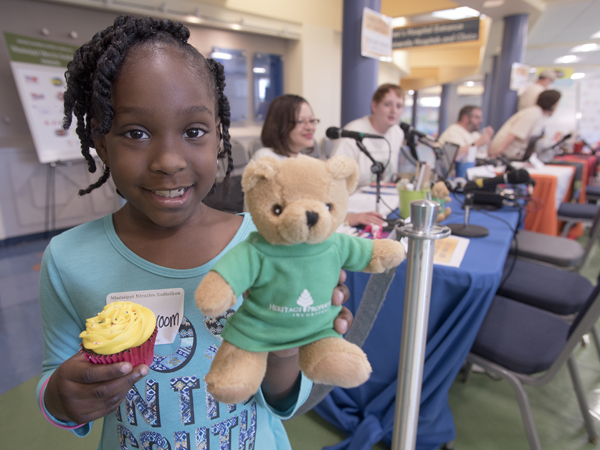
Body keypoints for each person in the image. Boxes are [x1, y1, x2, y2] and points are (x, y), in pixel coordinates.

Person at [36, 16, 353, 450]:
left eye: (193, 131)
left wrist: (285, 349)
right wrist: (61, 396)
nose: (168, 159)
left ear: (218, 135)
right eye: (136, 132)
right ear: (101, 142)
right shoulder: (68, 259)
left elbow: (280, 401)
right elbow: (56, 383)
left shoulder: (266, 246)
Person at [331, 84, 406, 226]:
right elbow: (333, 182)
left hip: (381, 201)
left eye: (399, 106)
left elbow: (388, 177)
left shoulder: (397, 133)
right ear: (374, 106)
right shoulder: (352, 133)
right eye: (387, 104)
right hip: (352, 206)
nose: (393, 111)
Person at [489, 89, 562, 160]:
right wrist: (497, 153)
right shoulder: (533, 113)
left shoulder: (539, 114)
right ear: (552, 104)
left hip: (514, 154)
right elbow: (513, 134)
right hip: (506, 153)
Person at [252, 94, 318, 161]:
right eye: (300, 121)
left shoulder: (303, 160)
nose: (310, 127)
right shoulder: (266, 157)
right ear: (281, 124)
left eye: (311, 120)